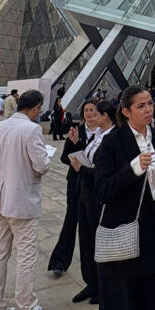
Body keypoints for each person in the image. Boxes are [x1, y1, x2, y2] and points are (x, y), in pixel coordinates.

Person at [94, 86, 155, 310]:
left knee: (150, 309)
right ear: (126, 111)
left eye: (150, 103)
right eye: (141, 106)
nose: (149, 109)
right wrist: (132, 169)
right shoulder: (112, 142)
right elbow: (102, 191)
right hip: (125, 237)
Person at [0, 89, 57, 310]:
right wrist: (44, 156)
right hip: (21, 201)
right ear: (35, 108)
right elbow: (42, 165)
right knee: (26, 255)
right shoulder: (31, 130)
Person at [72, 100, 117, 306]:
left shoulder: (113, 138)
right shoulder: (97, 135)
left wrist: (83, 170)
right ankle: (90, 282)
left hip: (98, 197)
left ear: (105, 116)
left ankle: (102, 285)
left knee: (98, 241)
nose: (91, 116)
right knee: (86, 240)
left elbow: (104, 172)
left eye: (95, 113)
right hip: (85, 194)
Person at [48, 100, 98, 280]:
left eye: (93, 110)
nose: (89, 113)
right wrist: (75, 144)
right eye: (86, 110)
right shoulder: (76, 131)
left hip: (94, 184)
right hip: (76, 182)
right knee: (71, 219)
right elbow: (64, 157)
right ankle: (60, 261)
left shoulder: (104, 133)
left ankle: (95, 265)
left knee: (92, 225)